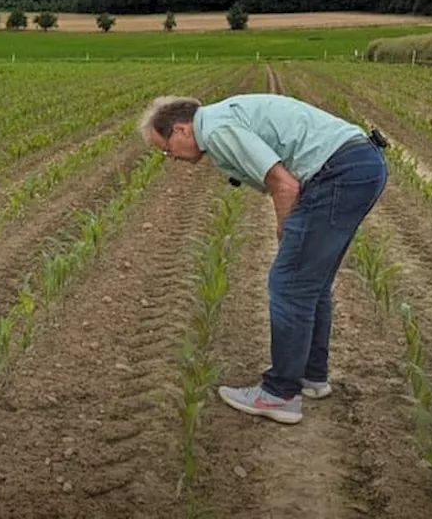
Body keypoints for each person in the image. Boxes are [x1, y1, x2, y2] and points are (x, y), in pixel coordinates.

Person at [139, 93, 388, 424]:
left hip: (338, 173)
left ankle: (279, 394)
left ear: (182, 129)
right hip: (360, 166)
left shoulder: (215, 129)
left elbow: (284, 186)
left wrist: (285, 231)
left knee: (289, 283)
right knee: (312, 284)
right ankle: (312, 377)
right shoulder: (221, 117)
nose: (169, 157)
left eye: (166, 148)